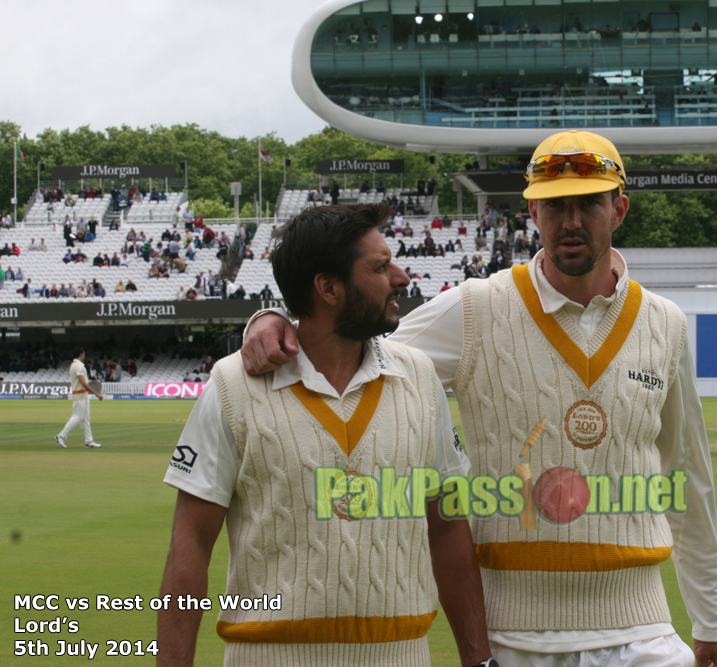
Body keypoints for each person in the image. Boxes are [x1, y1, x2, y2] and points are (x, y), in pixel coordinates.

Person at [240, 131, 717, 667]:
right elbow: (348, 347)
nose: (571, 220)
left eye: (588, 202)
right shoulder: (477, 308)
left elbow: (690, 480)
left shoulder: (667, 324)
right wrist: (272, 321)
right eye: (553, 205)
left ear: (619, 209)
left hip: (645, 635)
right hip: (512, 640)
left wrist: (711, 623)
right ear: (533, 213)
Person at [157, 204, 492, 667]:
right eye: (379, 267)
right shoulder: (233, 385)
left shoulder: (419, 377)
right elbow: (190, 544)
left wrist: (480, 660)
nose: (400, 277)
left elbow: (448, 529)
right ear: (328, 288)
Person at [54, 348, 103, 449]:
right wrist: (96, 393)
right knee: (77, 417)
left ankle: (89, 441)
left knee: (85, 419)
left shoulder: (76, 365)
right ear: (81, 354)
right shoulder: (77, 366)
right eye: (83, 354)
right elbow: (83, 383)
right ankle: (61, 436)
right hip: (80, 395)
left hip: (82, 395)